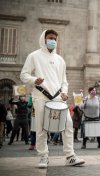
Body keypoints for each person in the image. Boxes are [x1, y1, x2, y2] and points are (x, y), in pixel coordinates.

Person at [20, 29, 85, 168]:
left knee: (67, 124)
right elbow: (24, 75)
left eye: (55, 39)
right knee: (41, 127)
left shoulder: (60, 59)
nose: (53, 41)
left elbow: (64, 81)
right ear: (43, 39)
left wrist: (65, 92)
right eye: (50, 38)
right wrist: (34, 80)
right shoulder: (34, 56)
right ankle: (43, 156)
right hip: (40, 96)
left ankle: (70, 156)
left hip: (58, 98)